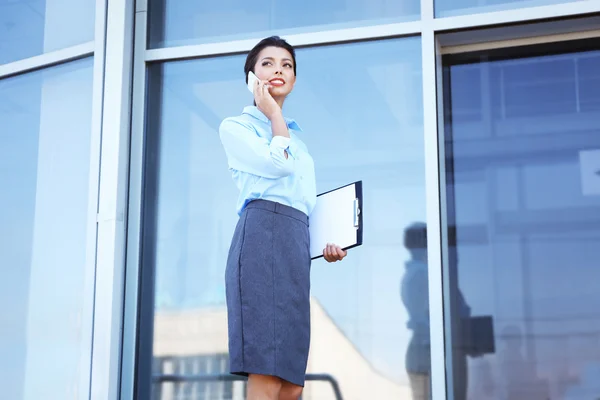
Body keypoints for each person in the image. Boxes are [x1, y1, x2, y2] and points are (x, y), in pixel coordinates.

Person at [219, 36, 348, 400]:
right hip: (261, 240)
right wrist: (274, 114)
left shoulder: (298, 144)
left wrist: (329, 243)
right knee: (267, 376)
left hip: (293, 248)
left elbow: (303, 204)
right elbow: (277, 166)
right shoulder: (236, 127)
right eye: (268, 63)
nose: (278, 69)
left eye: (286, 65)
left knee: (291, 385)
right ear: (251, 77)